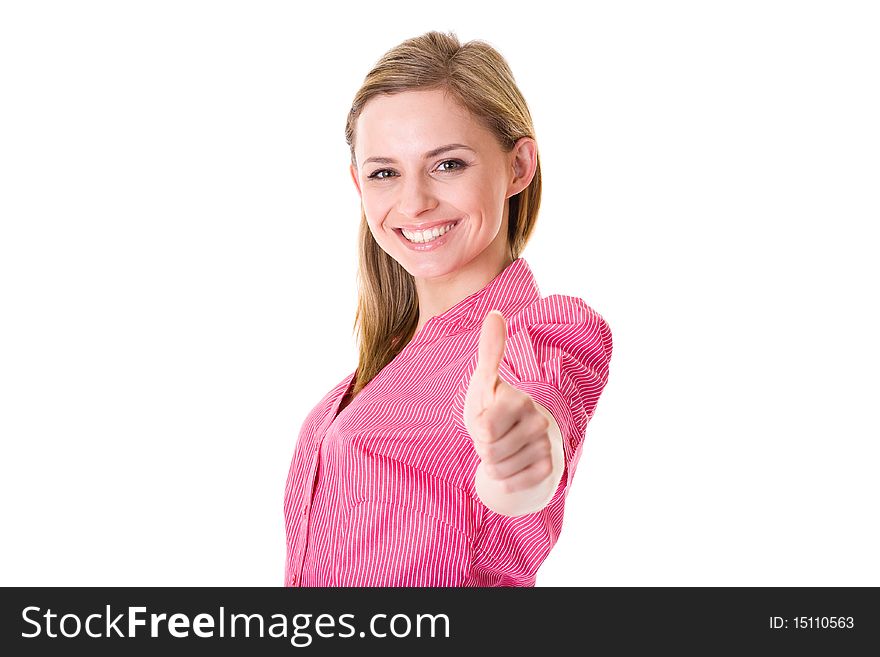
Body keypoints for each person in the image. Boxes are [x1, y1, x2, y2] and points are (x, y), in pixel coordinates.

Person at [284, 30, 613, 587]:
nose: (414, 202)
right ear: (358, 186)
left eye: (448, 165)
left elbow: (538, 421)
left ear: (519, 166)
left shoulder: (535, 336)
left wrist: (525, 456)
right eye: (384, 173)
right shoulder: (370, 374)